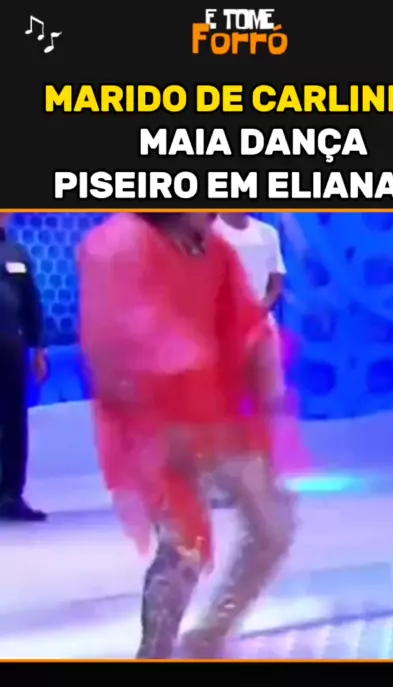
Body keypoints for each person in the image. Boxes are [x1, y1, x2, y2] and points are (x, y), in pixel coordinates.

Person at [77, 213, 296, 660]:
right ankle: (154, 655)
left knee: (272, 523)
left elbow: (245, 321)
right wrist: (161, 406)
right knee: (184, 547)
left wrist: (262, 361)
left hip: (216, 418)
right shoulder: (120, 244)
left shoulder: (214, 250)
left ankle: (206, 639)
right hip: (154, 425)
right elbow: (114, 341)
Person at [0, 213, 48, 521]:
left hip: (10, 346)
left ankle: (10, 496)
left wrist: (38, 347)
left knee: (14, 420)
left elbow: (31, 302)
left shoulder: (16, 252)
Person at [214, 214, 286, 404]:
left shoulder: (267, 233)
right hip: (220, 328)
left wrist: (260, 308)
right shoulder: (209, 231)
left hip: (261, 328)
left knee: (269, 398)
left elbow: (276, 282)